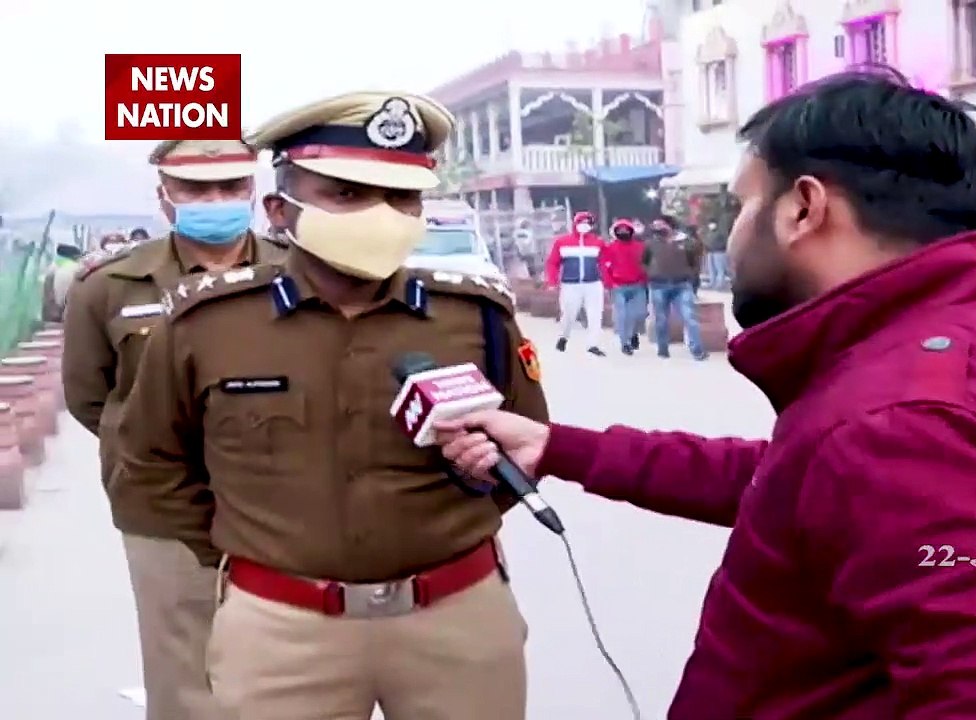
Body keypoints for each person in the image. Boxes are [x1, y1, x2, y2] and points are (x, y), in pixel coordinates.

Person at [436, 70, 976, 719]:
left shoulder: (913, 420)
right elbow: (811, 487)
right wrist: (564, 448)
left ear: (803, 207)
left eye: (742, 204)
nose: (736, 232)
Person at [110, 91, 547, 720]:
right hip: (280, 631)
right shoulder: (206, 325)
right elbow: (152, 465)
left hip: (459, 618)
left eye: (403, 199)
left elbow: (527, 446)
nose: (382, 215)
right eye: (346, 194)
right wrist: (252, 554)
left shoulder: (476, 318)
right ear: (280, 210)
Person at [60, 137, 281, 720]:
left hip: (289, 505)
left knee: (294, 675)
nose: (216, 199)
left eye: (231, 187)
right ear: (164, 198)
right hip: (166, 511)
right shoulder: (109, 286)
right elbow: (92, 398)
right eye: (195, 189)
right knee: (185, 680)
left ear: (252, 191)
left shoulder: (299, 274)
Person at [644, 214, 708, 360]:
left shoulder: (686, 242)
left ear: (670, 225)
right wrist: (651, 273)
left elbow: (696, 260)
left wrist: (691, 274)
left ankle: (697, 350)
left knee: (689, 318)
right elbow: (644, 262)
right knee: (661, 319)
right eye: (655, 226)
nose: (657, 228)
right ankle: (663, 348)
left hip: (682, 285)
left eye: (660, 225)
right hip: (658, 285)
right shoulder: (651, 243)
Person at [545, 210, 607, 356]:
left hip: (593, 284)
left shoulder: (597, 242)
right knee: (568, 315)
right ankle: (563, 337)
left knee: (595, 314)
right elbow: (552, 263)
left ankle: (593, 344)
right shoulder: (562, 242)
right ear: (575, 224)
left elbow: (604, 262)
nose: (585, 226)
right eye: (582, 223)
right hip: (570, 285)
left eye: (588, 223)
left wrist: (606, 280)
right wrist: (552, 281)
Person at [602, 218, 647, 354]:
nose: (623, 232)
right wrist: (608, 283)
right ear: (616, 232)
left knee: (638, 314)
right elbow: (605, 267)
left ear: (631, 231)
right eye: (620, 230)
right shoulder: (610, 248)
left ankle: (633, 334)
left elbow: (646, 264)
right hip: (618, 286)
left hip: (638, 285)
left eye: (626, 230)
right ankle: (625, 343)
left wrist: (646, 279)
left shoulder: (640, 247)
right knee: (622, 316)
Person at [42, 242, 83, 322]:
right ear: (74, 256)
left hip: (53, 311)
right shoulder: (73, 268)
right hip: (63, 311)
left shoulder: (52, 266)